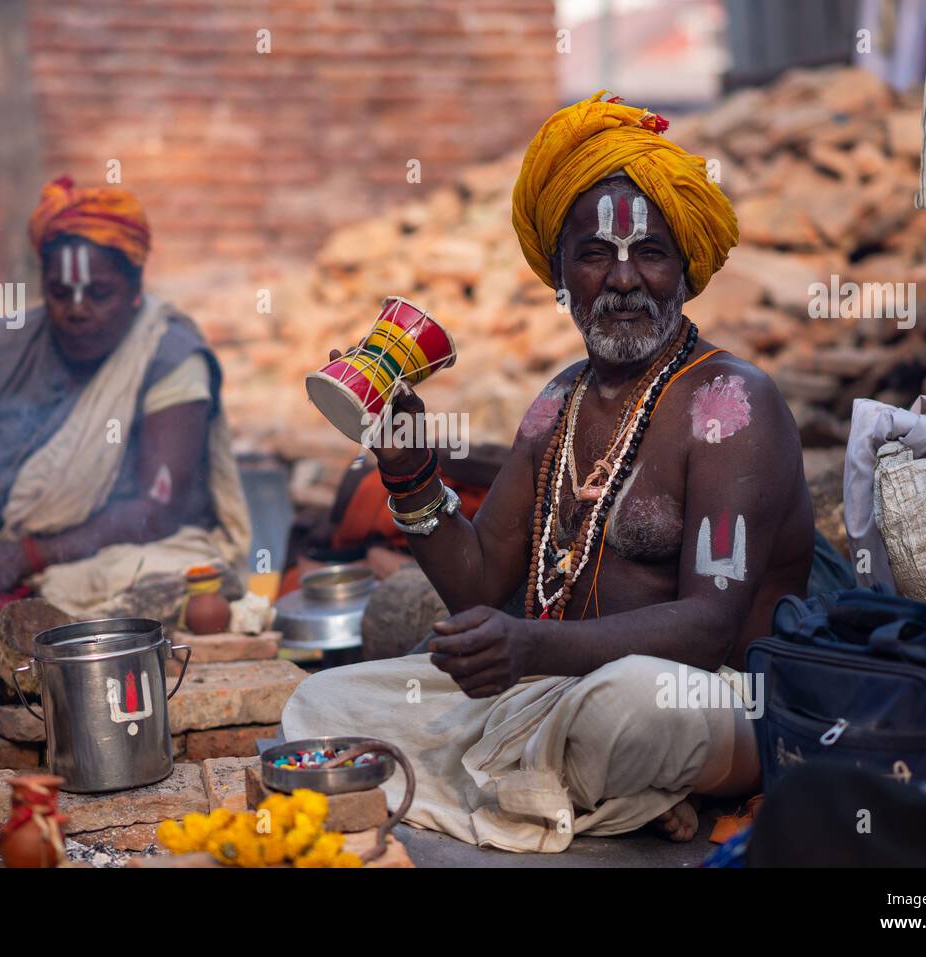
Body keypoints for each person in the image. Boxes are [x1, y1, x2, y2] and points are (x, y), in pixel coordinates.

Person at [282, 92, 814, 851]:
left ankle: (557, 785)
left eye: (651, 253)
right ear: (561, 272)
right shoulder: (558, 403)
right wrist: (407, 472)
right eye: (596, 254)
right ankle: (584, 795)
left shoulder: (731, 403)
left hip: (706, 698)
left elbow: (708, 626)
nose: (624, 279)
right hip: (549, 694)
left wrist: (527, 645)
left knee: (626, 712)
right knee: (321, 705)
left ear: (687, 271)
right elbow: (477, 581)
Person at [0, 176, 251, 618]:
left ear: (135, 291)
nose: (77, 309)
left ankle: (7, 610)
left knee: (164, 580)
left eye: (98, 293)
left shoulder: (168, 353)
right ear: (44, 287)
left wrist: (26, 557)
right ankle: (14, 611)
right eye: (61, 292)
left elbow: (158, 510)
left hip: (124, 551)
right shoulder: (3, 348)